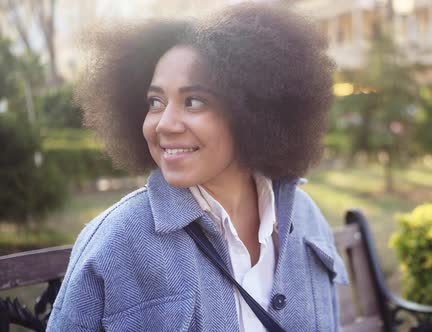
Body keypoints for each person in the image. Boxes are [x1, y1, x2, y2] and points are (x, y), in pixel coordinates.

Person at [46, 3, 348, 332]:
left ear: (253, 111)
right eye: (155, 102)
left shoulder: (305, 219)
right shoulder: (117, 241)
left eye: (193, 101)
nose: (165, 124)